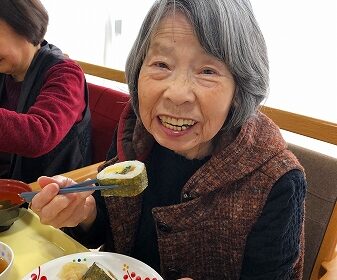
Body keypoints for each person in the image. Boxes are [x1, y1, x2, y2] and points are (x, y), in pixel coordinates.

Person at [30, 0, 307, 279]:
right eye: (161, 64)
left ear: (239, 88)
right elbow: (108, 222)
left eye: (207, 71)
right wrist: (82, 211)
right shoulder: (136, 137)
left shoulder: (276, 179)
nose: (177, 94)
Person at [0, 0, 92, 183]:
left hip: (50, 193)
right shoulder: (5, 69)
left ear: (24, 25)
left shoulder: (66, 73)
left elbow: (40, 133)